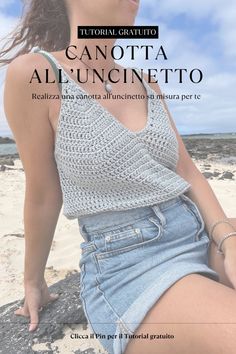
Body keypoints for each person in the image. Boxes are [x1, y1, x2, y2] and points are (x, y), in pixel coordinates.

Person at [1, 1, 236, 353]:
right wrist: (33, 281)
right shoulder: (36, 73)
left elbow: (186, 170)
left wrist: (227, 240)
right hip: (129, 266)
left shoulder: (147, 82)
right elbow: (43, 194)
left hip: (197, 233)